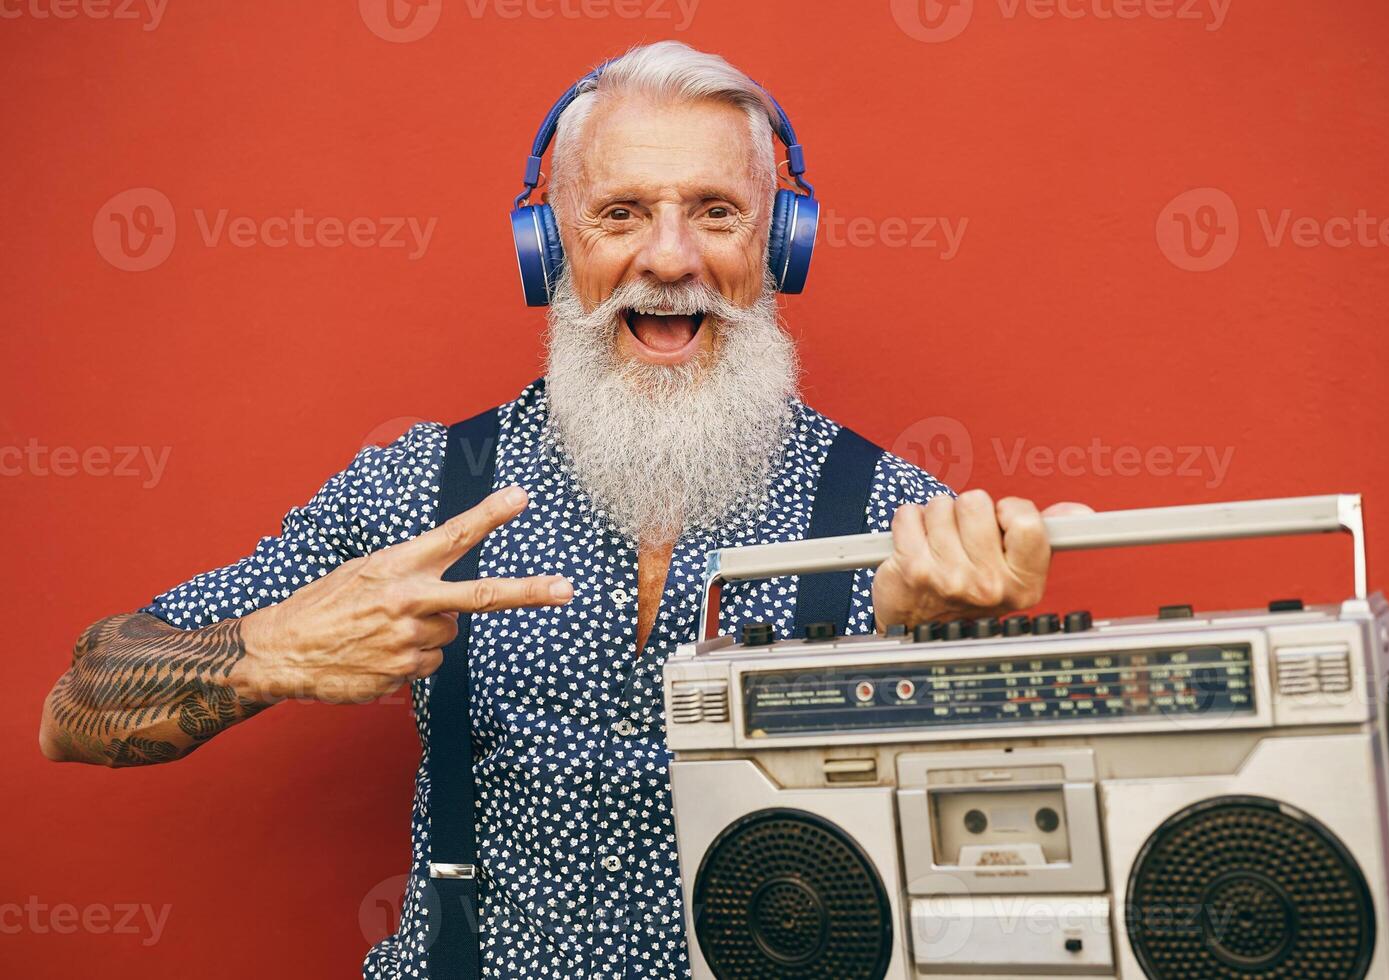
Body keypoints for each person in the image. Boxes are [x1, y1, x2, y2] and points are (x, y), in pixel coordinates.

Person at [39, 40, 1087, 979]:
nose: (670, 260)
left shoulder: (905, 524)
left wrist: (943, 666)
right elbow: (75, 706)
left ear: (781, 243)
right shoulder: (423, 487)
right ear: (552, 248)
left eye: (716, 213)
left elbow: (1019, 882)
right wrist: (269, 650)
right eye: (621, 212)